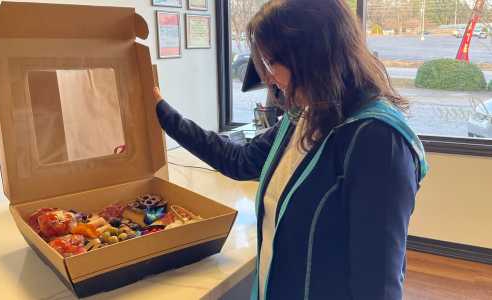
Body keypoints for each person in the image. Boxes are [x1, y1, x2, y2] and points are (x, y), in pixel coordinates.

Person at [153, 0, 428, 299]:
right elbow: (239, 160)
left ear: (312, 57)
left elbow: (377, 285)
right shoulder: (307, 114)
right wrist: (164, 114)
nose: (269, 79)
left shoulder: (377, 139)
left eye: (272, 64)